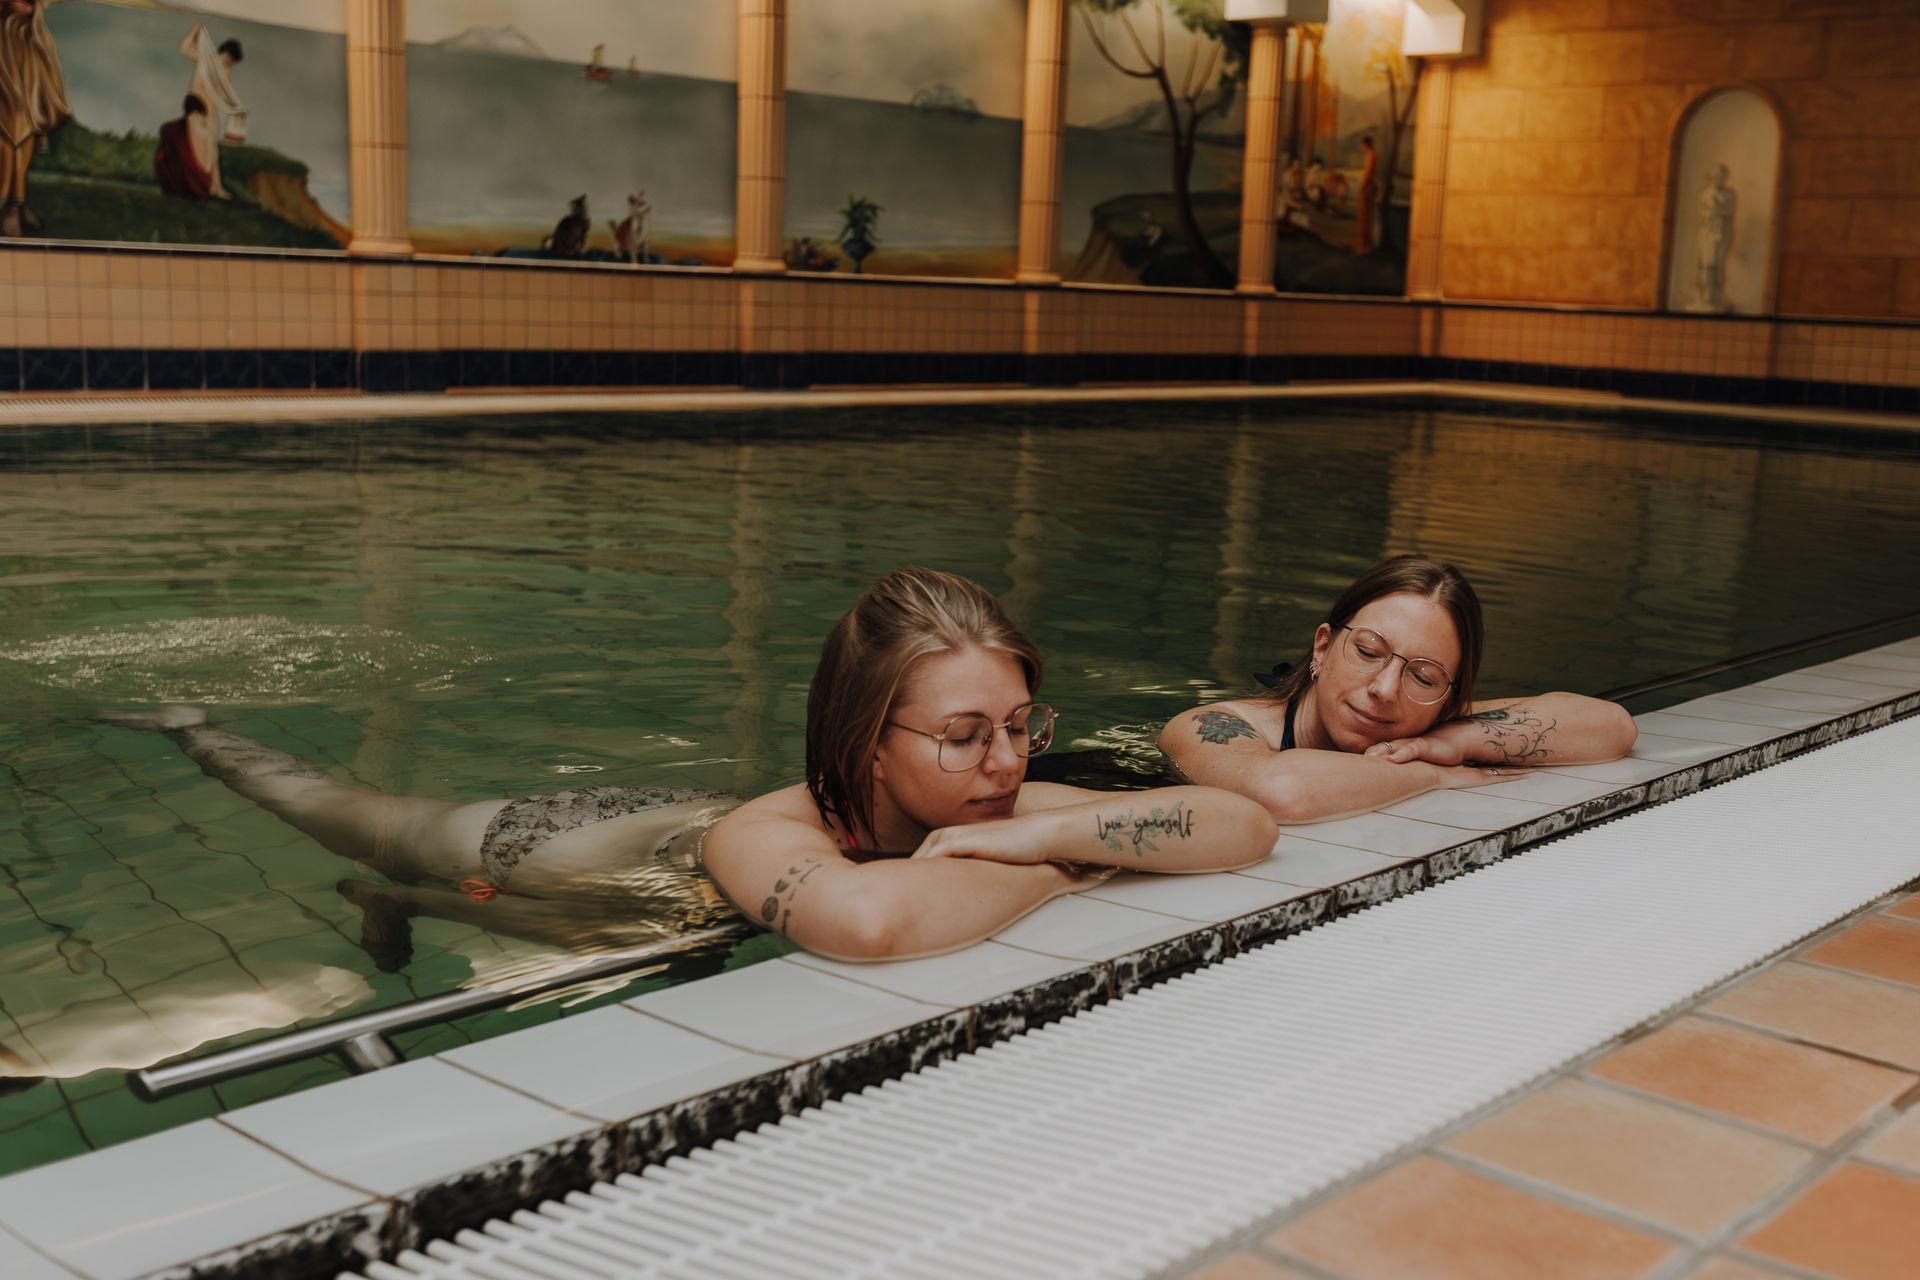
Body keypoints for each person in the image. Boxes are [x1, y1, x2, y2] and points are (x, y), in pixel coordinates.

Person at [104, 569, 1276, 967]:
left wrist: (1034, 831)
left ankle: (394, 903)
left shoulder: (1004, 802)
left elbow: (1243, 825)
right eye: (965, 732)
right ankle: (195, 727)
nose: (1008, 759)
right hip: (573, 845)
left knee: (623, 934)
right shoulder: (763, 835)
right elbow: (871, 923)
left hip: (667, 901)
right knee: (338, 808)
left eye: (1021, 723)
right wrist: (1078, 860)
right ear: (868, 740)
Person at [1159, 556, 1637, 824]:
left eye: (1424, 678)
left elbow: (1612, 726)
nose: (1386, 689)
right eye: (1368, 652)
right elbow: (1281, 793)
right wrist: (1432, 775)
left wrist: (1453, 741)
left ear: (1448, 701)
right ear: (1322, 648)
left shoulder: (1433, 726)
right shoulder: (1213, 726)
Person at [0, 0, 72, 237]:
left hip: (26, 54)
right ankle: (10, 207)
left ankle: (17, 206)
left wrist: (29, 9)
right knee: (8, 138)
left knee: (25, 134)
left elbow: (32, 7)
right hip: (4, 57)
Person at [179, 25, 245, 200]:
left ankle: (216, 188)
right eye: (232, 60)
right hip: (196, 107)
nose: (231, 63)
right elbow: (184, 48)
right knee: (197, 147)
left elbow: (221, 94)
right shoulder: (204, 58)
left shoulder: (225, 71)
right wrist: (195, 31)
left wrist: (234, 108)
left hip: (210, 111)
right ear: (228, 54)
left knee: (213, 151)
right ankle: (196, 186)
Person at [155, 94, 214, 199]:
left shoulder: (168, 128)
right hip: (197, 183)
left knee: (163, 154)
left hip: (180, 182)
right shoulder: (200, 129)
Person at [1354, 135, 1379, 255]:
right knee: (1365, 217)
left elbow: (1368, 173)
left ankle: (1365, 246)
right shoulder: (1371, 154)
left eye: (1362, 145)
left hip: (1368, 188)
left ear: (1366, 145)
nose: (1361, 147)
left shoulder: (1371, 155)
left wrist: (1362, 188)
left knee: (1364, 217)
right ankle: (1365, 245)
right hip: (1369, 186)